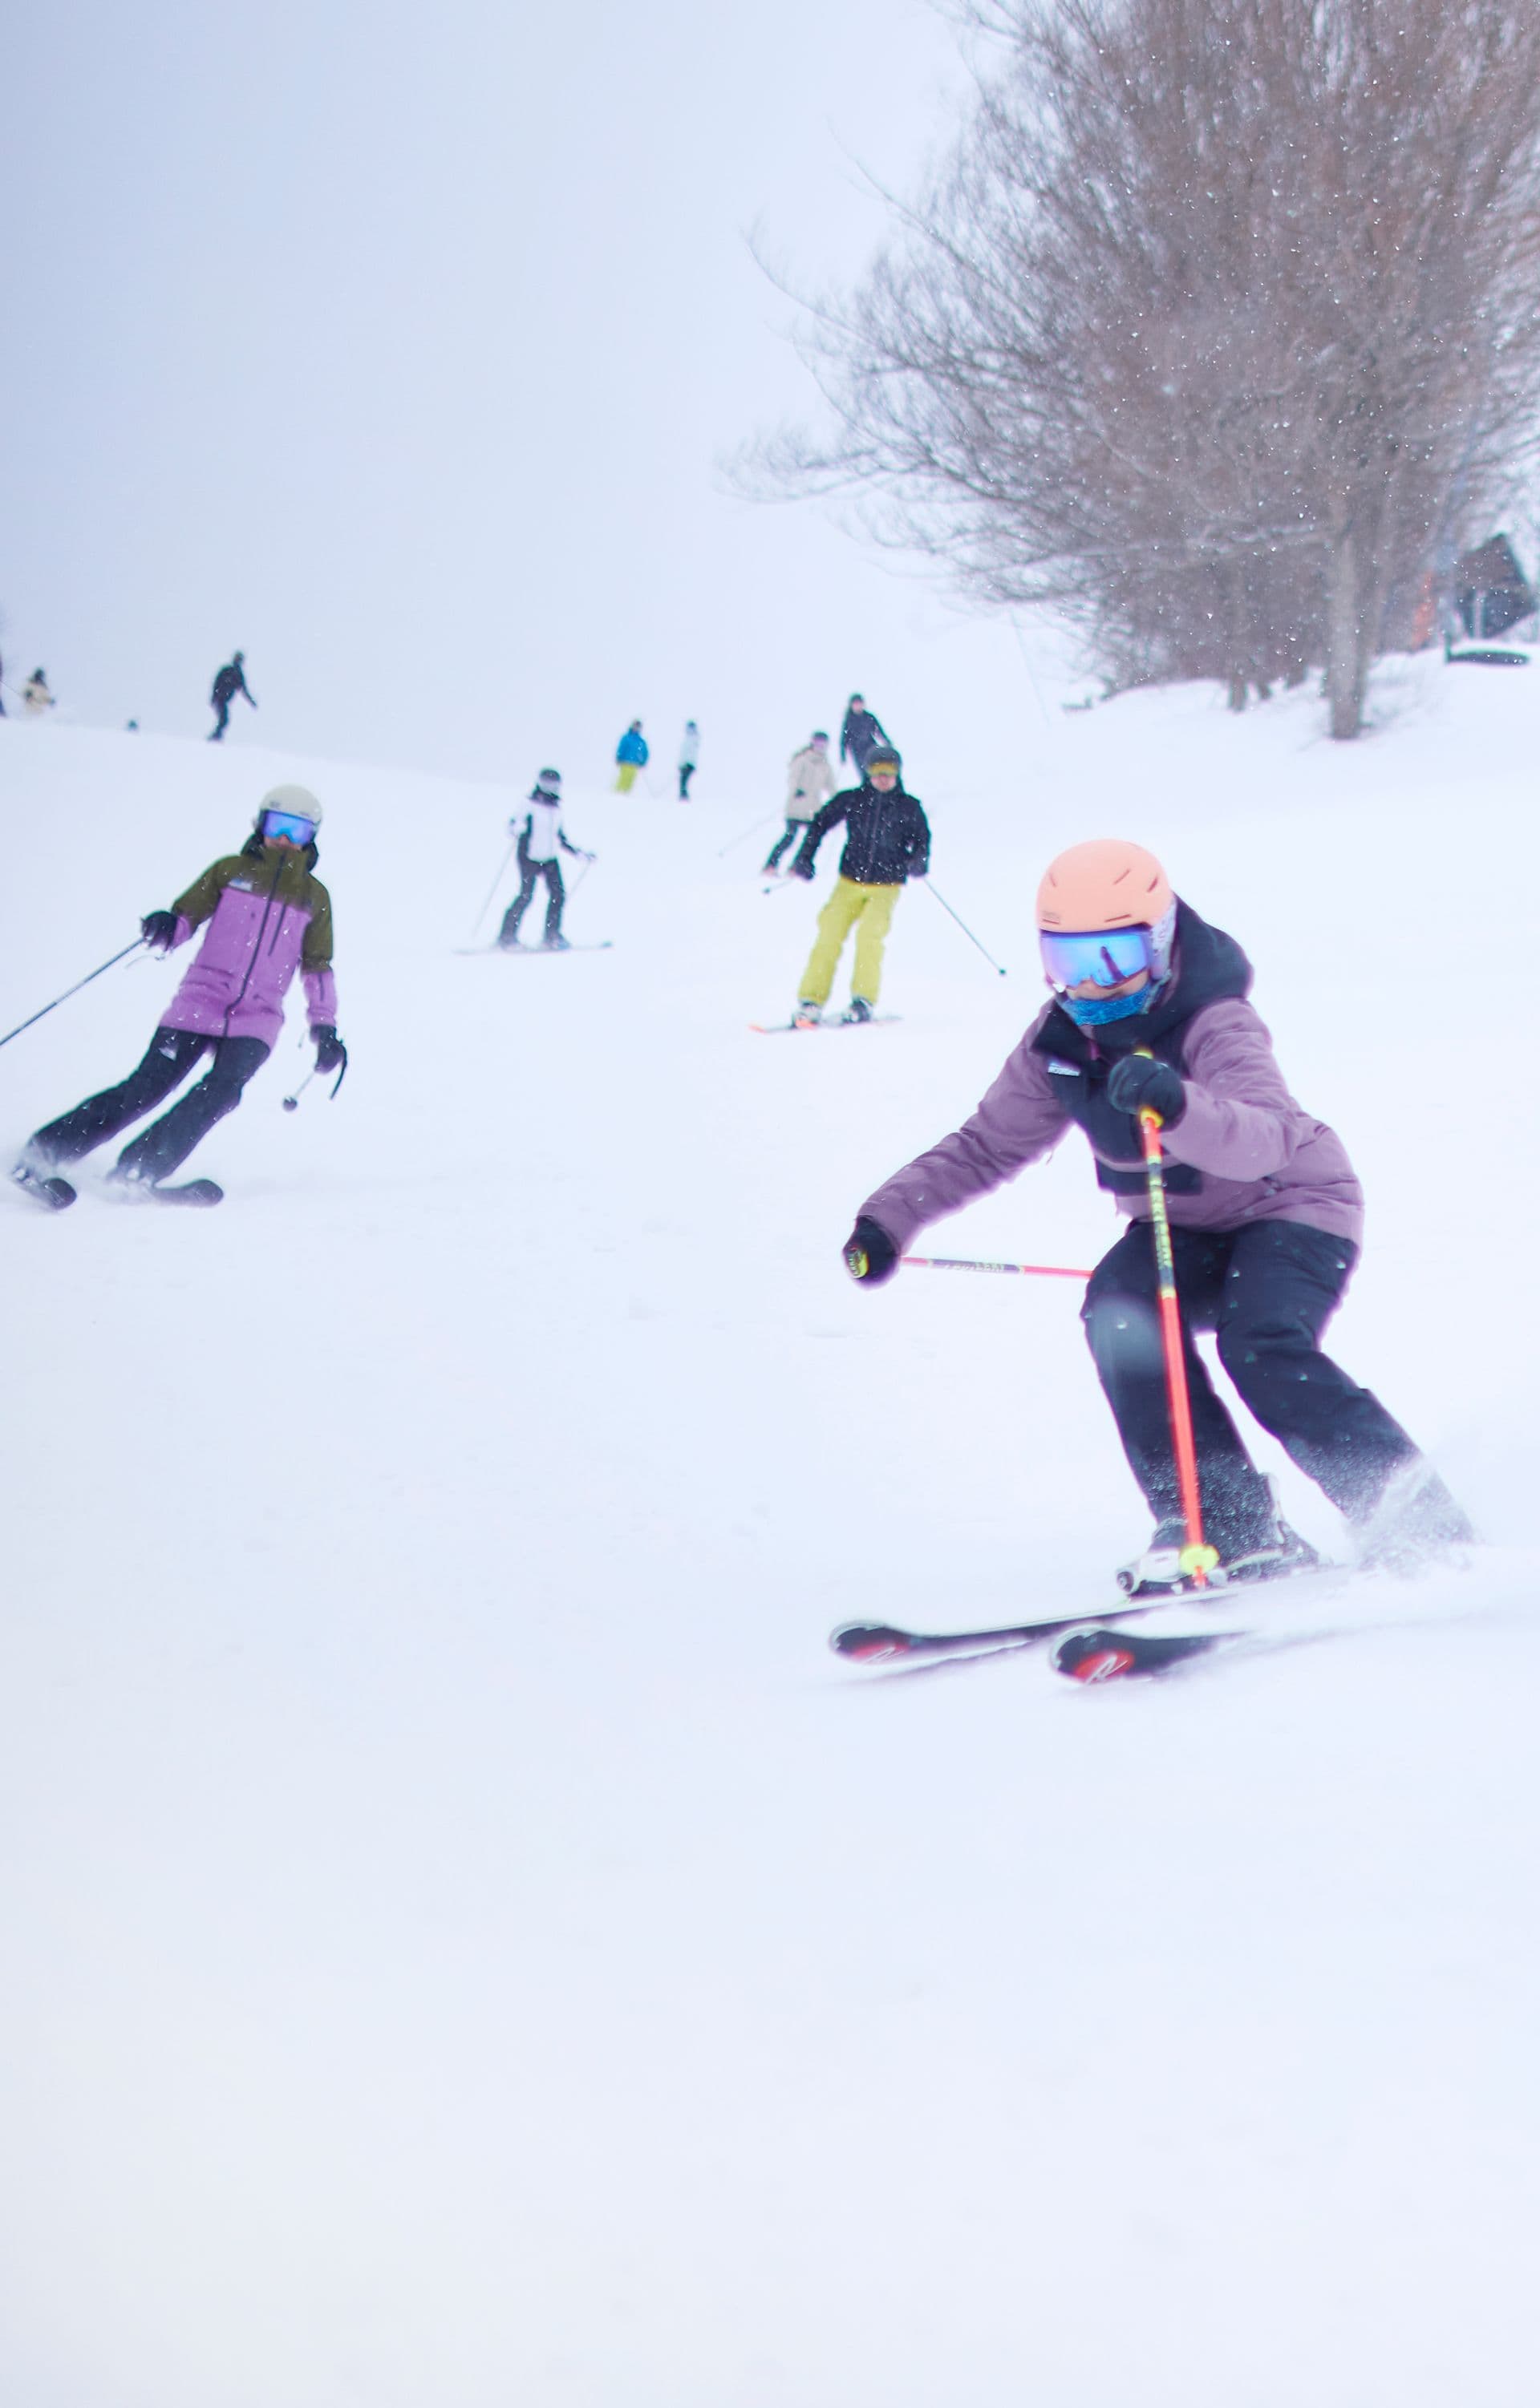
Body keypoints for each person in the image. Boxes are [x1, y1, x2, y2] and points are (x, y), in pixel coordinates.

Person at [841, 838, 1472, 1588]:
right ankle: (1226, 1523)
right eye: (1071, 961)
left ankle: (1421, 1526)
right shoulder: (1060, 1043)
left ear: (1163, 939)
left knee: (1260, 1342)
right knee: (1118, 1312)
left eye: (1115, 956)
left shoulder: (1216, 1019)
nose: (1095, 984)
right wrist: (887, 1220)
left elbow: (1264, 1137)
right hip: (1186, 1227)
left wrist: (1177, 1103)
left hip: (1295, 1204)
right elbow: (985, 1144)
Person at [13, 784, 344, 1202]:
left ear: (311, 837)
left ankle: (140, 1169)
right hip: (199, 1003)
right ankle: (44, 1154)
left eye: (297, 831)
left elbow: (317, 967)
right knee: (145, 1088)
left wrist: (325, 1027)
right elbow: (187, 915)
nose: (284, 839)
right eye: (278, 826)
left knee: (221, 1093)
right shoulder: (229, 871)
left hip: (257, 1020)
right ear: (261, 825)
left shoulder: (315, 898)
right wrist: (168, 925)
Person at [788, 743, 929, 1024]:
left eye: (890, 771)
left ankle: (862, 1001)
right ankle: (810, 1001)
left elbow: (922, 839)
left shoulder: (909, 806)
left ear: (898, 773)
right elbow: (819, 824)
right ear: (867, 772)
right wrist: (805, 857)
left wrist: (919, 860)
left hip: (886, 887)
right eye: (878, 770)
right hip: (849, 882)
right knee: (828, 935)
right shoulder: (853, 799)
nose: (884, 777)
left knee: (870, 938)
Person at [498, 768, 593, 950]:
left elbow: (560, 837)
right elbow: (512, 826)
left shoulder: (556, 809)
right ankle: (507, 937)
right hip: (529, 857)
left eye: (554, 785)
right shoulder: (529, 804)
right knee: (526, 896)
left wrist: (579, 854)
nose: (551, 788)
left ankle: (552, 936)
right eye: (547, 784)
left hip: (549, 858)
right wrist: (517, 828)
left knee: (558, 895)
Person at [764, 730, 837, 874]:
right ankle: (771, 865)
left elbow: (830, 785)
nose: (820, 746)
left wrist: (837, 801)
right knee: (790, 837)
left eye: (823, 744)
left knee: (810, 839)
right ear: (812, 743)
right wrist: (796, 790)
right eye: (818, 743)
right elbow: (793, 778)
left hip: (813, 808)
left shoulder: (825, 765)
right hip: (796, 806)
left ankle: (796, 866)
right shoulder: (803, 759)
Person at [208, 651, 256, 742]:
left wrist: (251, 701)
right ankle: (216, 737)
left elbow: (244, 690)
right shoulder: (226, 670)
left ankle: (216, 736)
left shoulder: (239, 675)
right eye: (237, 659)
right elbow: (216, 683)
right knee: (224, 719)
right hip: (220, 698)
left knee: (224, 719)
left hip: (224, 699)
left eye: (240, 660)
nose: (238, 662)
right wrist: (214, 697)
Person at [840, 693, 890, 776]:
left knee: (879, 767)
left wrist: (887, 742)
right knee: (865, 774)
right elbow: (844, 739)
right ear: (851, 705)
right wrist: (843, 754)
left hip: (871, 746)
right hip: (857, 750)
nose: (858, 706)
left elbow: (879, 731)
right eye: (855, 704)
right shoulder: (849, 720)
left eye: (860, 703)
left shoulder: (869, 717)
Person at [615, 720, 649, 793]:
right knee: (623, 778)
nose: (636, 728)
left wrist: (643, 762)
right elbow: (621, 748)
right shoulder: (627, 738)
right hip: (625, 762)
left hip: (635, 764)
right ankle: (618, 792)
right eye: (635, 726)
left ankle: (626, 793)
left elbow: (645, 752)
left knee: (630, 779)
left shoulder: (640, 741)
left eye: (638, 727)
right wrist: (619, 757)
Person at [678, 721, 699, 799]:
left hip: (689, 764)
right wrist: (680, 764)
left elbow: (691, 753)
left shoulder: (694, 739)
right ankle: (683, 795)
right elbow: (683, 753)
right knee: (682, 780)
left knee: (684, 780)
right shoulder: (687, 739)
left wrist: (686, 763)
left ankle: (684, 795)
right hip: (685, 764)